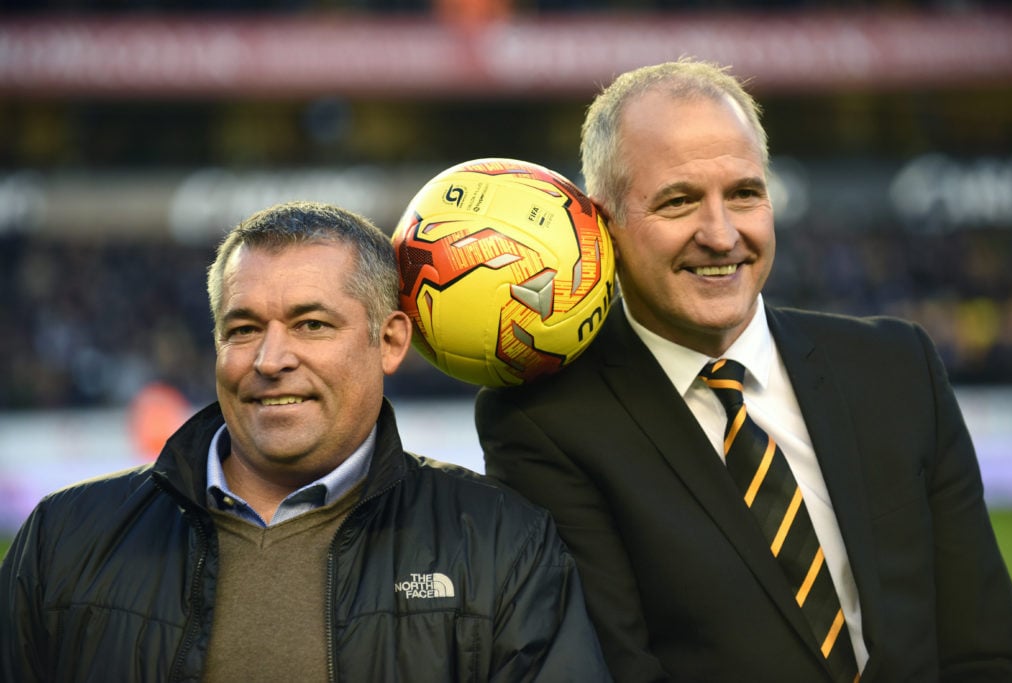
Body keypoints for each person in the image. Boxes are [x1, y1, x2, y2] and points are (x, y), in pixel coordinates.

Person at [476, 59, 1012, 682]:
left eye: (744, 193)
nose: (720, 233)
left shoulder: (899, 368)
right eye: (678, 201)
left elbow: (987, 649)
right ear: (604, 228)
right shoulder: (546, 425)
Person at [0, 201, 612, 682]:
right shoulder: (64, 537)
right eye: (242, 329)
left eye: (311, 324)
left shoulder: (503, 543)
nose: (270, 359)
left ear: (391, 340)